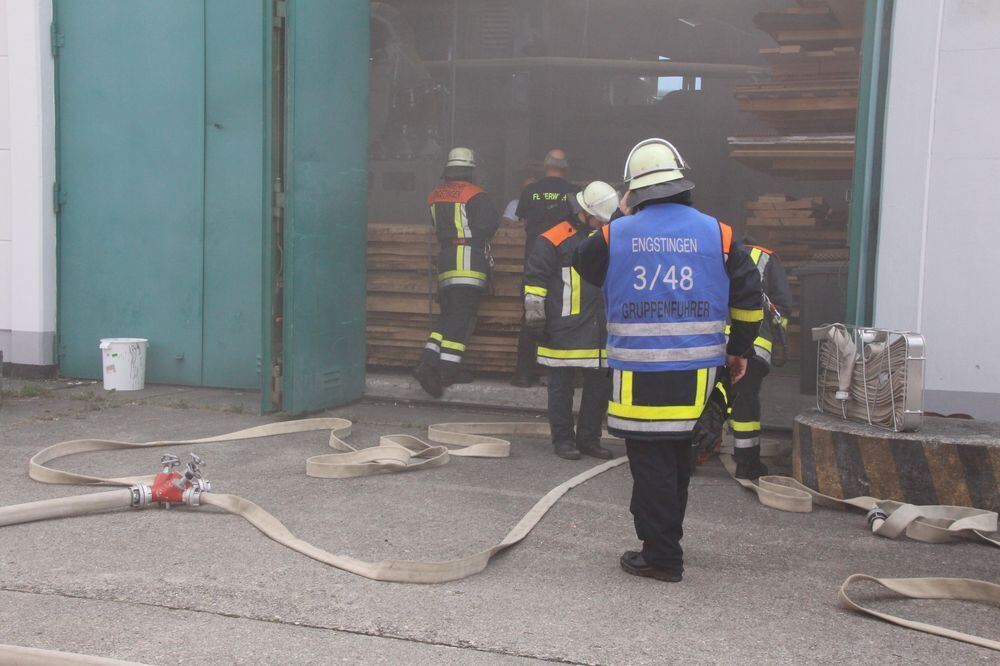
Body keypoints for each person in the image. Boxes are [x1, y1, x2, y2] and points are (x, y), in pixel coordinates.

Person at [573, 138, 762, 582]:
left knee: (651, 464)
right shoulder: (721, 233)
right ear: (682, 181)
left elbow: (584, 263)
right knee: (678, 461)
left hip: (640, 375)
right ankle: (663, 544)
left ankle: (661, 557)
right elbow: (750, 297)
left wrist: (621, 217)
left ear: (634, 192)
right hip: (699, 375)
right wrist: (741, 350)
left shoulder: (612, 234)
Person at [523, 181, 619, 460]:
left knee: (598, 388)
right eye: (600, 219)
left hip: (599, 328)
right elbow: (535, 279)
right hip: (562, 327)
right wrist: (535, 316)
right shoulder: (552, 238)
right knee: (561, 387)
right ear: (584, 212)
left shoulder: (608, 238)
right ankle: (563, 440)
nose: (604, 224)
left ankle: (589, 439)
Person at [413, 147, 500, 398]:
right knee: (462, 317)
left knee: (448, 316)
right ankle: (448, 371)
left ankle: (427, 363)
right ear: (470, 170)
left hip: (446, 260)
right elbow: (488, 225)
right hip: (468, 261)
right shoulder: (475, 194)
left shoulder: (434, 196)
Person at [511, 149, 579, 387]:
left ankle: (523, 374)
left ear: (544, 165)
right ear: (566, 166)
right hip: (564, 264)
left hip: (534, 262)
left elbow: (525, 223)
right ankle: (557, 375)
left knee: (531, 316)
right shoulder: (573, 194)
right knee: (563, 317)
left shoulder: (530, 191)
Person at [727, 235, 793, 479]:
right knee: (745, 402)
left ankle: (689, 458)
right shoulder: (767, 258)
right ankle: (746, 464)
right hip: (751, 345)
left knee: (703, 400)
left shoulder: (714, 254)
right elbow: (783, 306)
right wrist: (776, 335)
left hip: (709, 344)